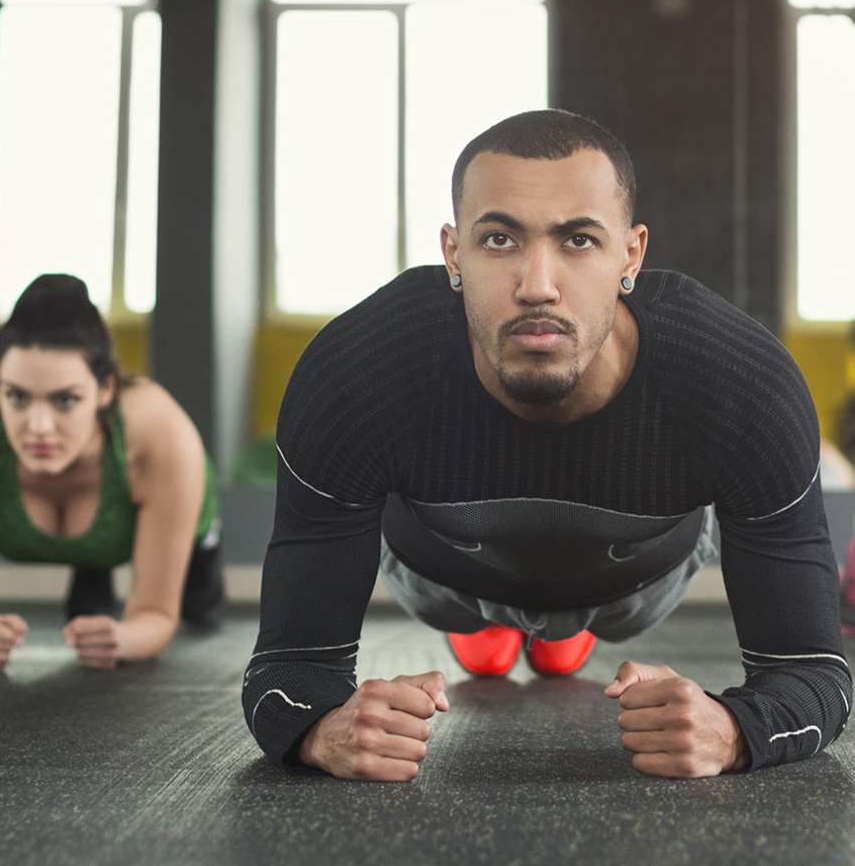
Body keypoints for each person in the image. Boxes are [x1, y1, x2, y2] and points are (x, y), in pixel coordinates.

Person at [242, 109, 851, 781]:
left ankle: (561, 634)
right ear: (452, 254)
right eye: (499, 240)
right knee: (478, 629)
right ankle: (499, 629)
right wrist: (321, 731)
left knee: (578, 633)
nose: (537, 285)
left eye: (579, 241)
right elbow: (286, 674)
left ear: (632, 255)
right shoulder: (355, 371)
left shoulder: (743, 382)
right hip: (443, 576)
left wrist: (737, 730)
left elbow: (815, 674)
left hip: (632, 585)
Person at [0, 274, 224, 672]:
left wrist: (125, 638)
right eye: (17, 397)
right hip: (100, 520)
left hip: (150, 512)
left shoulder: (161, 435)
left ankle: (107, 562)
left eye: (65, 400)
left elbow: (155, 615)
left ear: (106, 389)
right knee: (89, 600)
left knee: (201, 607)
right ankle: (92, 565)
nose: (38, 426)